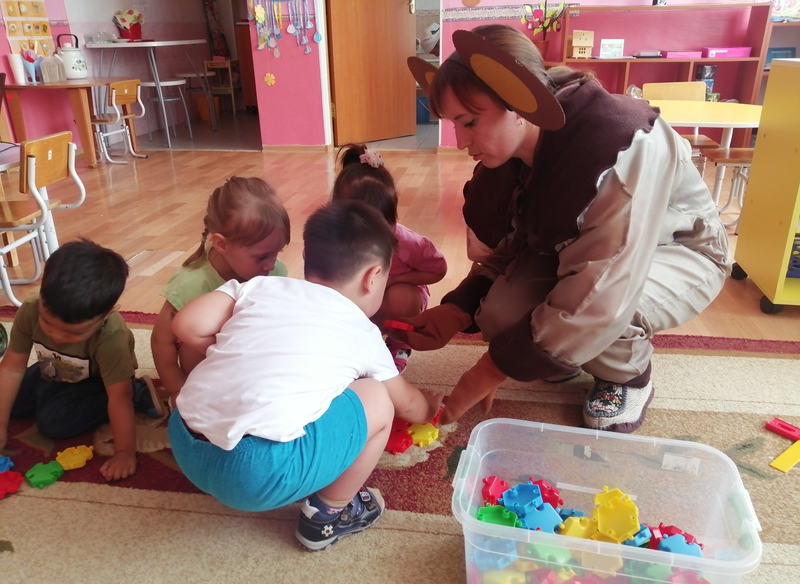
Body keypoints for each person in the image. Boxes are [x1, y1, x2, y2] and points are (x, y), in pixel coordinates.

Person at [399, 25, 730, 432]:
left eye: (468, 122)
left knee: (609, 312)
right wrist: (457, 309)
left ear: (518, 104)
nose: (459, 141)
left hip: (678, 252)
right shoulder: (509, 156)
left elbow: (607, 289)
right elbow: (507, 252)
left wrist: (489, 370)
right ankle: (566, 357)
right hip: (583, 256)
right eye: (454, 123)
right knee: (501, 315)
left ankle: (627, 377)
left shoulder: (616, 149)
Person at [167, 200, 442, 551]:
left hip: (184, 443)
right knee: (376, 396)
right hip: (253, 476)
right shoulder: (363, 332)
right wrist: (431, 406)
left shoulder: (259, 286)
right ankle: (326, 517)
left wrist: (245, 347)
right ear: (373, 277)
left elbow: (186, 325)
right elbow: (408, 406)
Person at [0, 238, 166, 482]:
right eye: (48, 324)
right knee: (8, 401)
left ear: (106, 315)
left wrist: (124, 453)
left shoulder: (111, 336)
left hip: (98, 382)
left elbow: (117, 397)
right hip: (51, 368)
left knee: (54, 423)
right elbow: (12, 369)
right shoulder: (30, 309)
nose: (57, 337)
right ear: (42, 297)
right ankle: (47, 396)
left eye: (74, 333)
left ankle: (136, 391)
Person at [150, 176, 290, 406]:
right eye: (262, 256)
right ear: (222, 244)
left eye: (277, 252)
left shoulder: (274, 270)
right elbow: (161, 340)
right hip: (206, 369)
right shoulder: (191, 283)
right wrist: (177, 389)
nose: (271, 264)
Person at [331, 143, 448, 372]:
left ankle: (399, 344)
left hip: (393, 304)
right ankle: (359, 345)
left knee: (401, 297)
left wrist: (396, 280)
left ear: (391, 216)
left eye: (380, 224)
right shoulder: (333, 238)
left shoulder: (404, 241)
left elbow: (438, 269)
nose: (370, 234)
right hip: (359, 304)